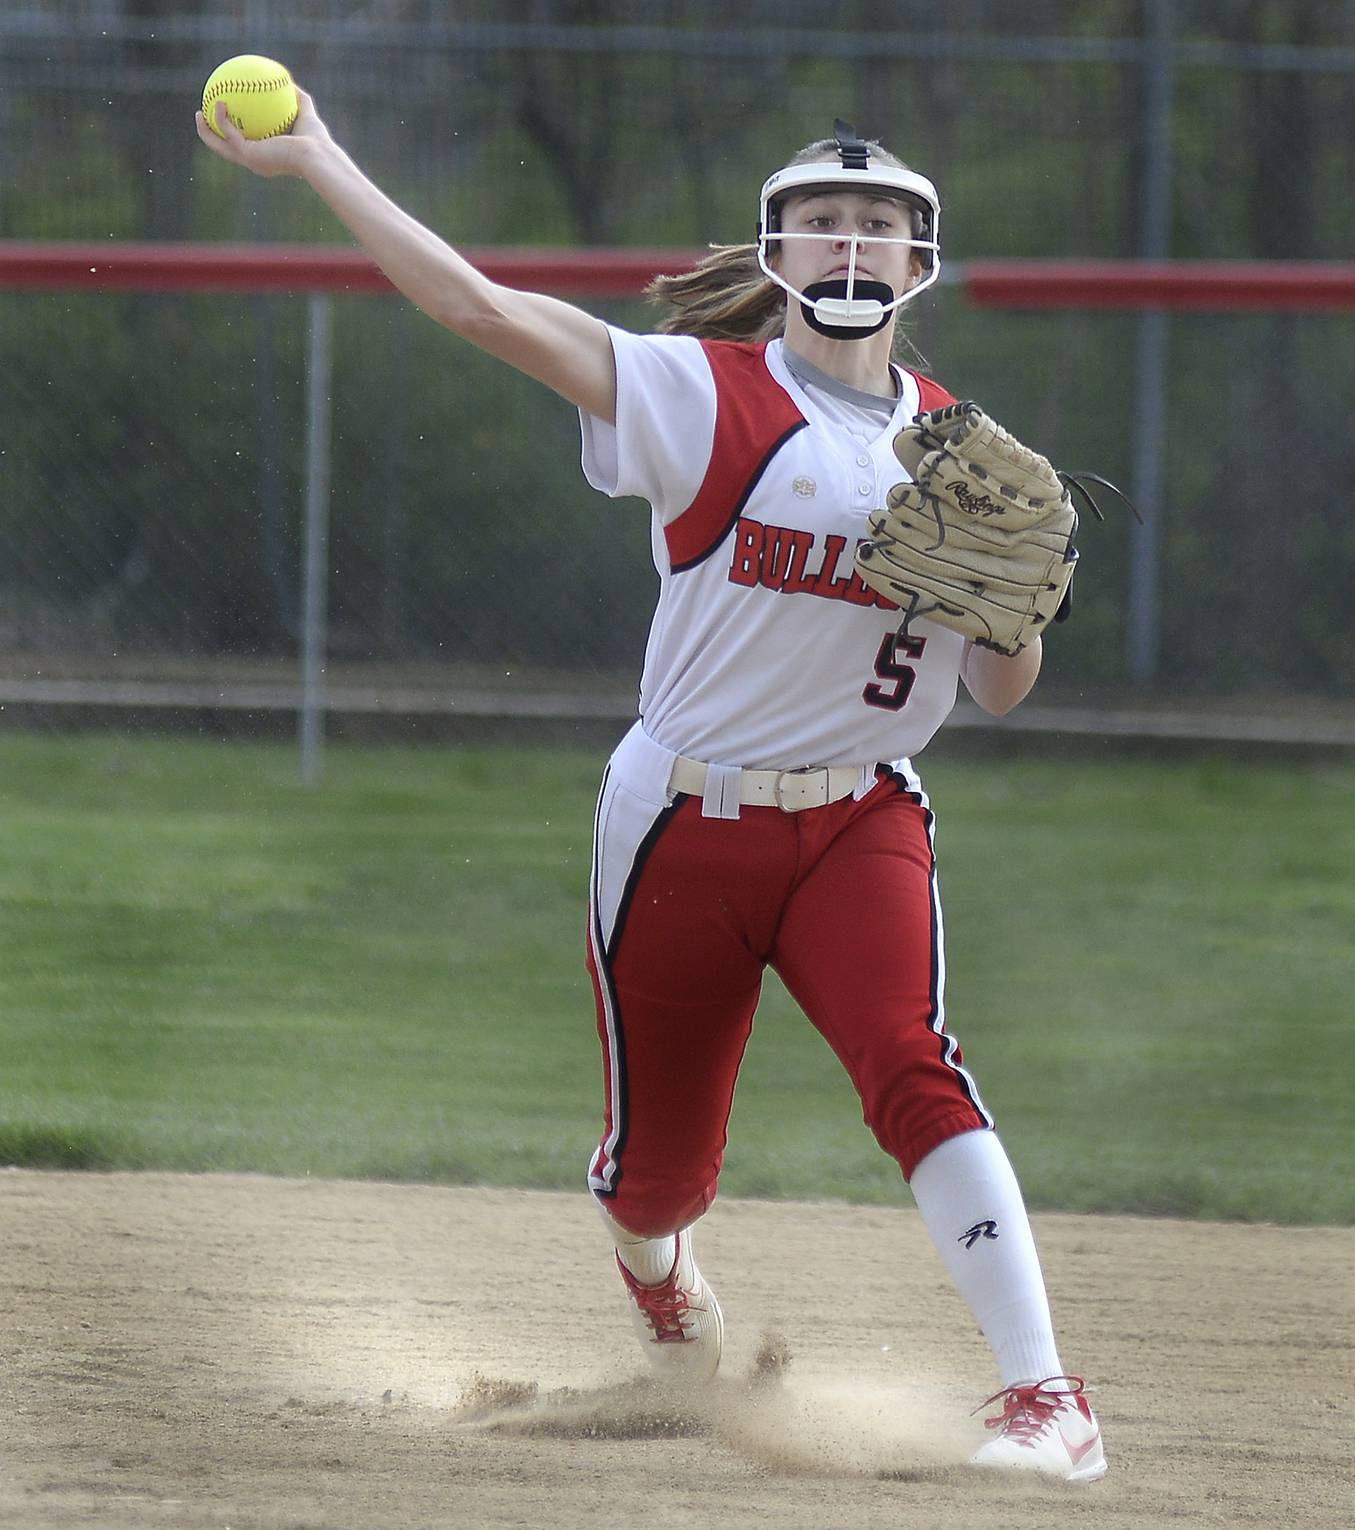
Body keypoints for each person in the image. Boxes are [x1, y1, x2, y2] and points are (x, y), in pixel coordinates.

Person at [197, 95, 1106, 1484]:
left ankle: (1047, 1400)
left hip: (859, 816)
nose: (850, 243)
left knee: (916, 1069)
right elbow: (482, 310)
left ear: (922, 265)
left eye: (879, 226)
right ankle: (668, 1283)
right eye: (822, 223)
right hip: (682, 824)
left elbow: (995, 690)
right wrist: (320, 153)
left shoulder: (958, 450)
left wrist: (1018, 612)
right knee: (653, 1183)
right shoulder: (704, 391)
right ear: (779, 252)